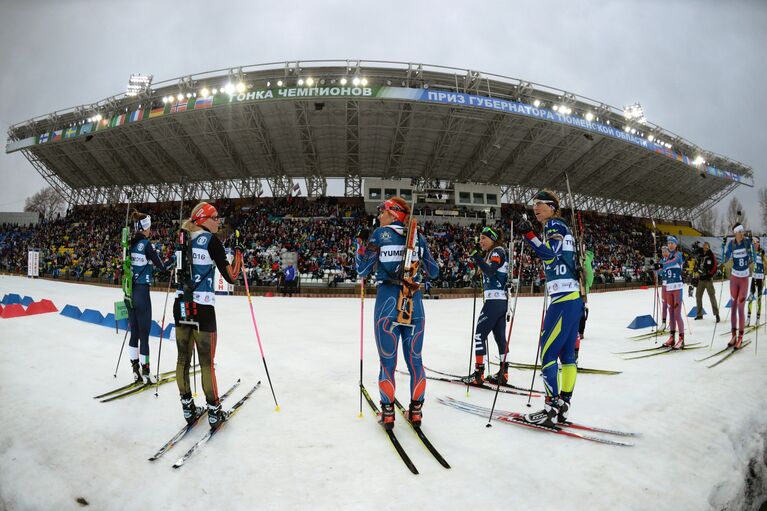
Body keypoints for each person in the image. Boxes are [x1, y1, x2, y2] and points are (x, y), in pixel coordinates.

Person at [355, 197, 439, 430]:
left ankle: (389, 412)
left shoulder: (379, 235)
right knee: (416, 360)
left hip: (387, 301)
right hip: (415, 303)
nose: (379, 215)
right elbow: (434, 271)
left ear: (393, 214)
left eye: (382, 211)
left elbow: (361, 269)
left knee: (387, 362)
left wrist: (359, 244)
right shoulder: (418, 236)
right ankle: (416, 411)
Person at [515, 190, 583, 427]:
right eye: (534, 204)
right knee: (567, 356)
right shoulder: (560, 226)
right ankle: (563, 403)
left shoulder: (553, 224)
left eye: (540, 204)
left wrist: (530, 235)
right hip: (572, 298)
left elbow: (551, 254)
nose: (535, 208)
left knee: (547, 355)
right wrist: (530, 236)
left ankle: (550, 406)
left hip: (563, 299)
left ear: (552, 207)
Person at [174, 202, 243, 429]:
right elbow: (232, 276)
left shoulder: (181, 238)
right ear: (203, 219)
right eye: (215, 217)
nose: (218, 221)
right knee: (206, 364)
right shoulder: (211, 241)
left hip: (181, 305)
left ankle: (188, 408)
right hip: (202, 308)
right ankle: (214, 412)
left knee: (183, 359)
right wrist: (239, 252)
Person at [126, 210, 173, 383]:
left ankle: (135, 370)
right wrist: (173, 259)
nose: (150, 231)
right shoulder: (146, 244)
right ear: (145, 228)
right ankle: (146, 373)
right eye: (149, 228)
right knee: (144, 335)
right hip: (142, 293)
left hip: (129, 293)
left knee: (134, 332)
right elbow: (162, 266)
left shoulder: (129, 244)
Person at [468, 226, 510, 385]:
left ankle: (479, 374)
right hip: (499, 301)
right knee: (500, 338)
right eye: (480, 239)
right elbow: (487, 271)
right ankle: (503, 373)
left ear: (492, 239)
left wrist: (476, 257)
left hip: (494, 302)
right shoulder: (492, 253)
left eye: (484, 238)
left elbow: (491, 271)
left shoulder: (497, 251)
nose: (481, 242)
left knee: (479, 335)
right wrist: (476, 274)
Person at [723, 224, 752, 348]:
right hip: (734, 278)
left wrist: (754, 254)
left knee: (740, 307)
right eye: (739, 231)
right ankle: (733, 335)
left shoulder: (747, 242)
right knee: (733, 307)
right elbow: (725, 258)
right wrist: (723, 249)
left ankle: (741, 337)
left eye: (742, 231)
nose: (742, 233)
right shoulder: (732, 244)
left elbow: (752, 256)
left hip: (744, 279)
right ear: (735, 233)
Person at [659, 236, 685, 348]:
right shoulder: (666, 258)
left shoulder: (678, 255)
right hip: (668, 288)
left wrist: (661, 264)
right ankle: (672, 338)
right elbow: (661, 271)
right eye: (669, 243)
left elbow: (671, 262)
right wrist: (656, 268)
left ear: (676, 244)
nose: (670, 245)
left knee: (677, 314)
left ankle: (681, 339)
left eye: (672, 243)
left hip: (677, 288)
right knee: (671, 314)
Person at [694, 241, 720, 322]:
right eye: (704, 246)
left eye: (707, 246)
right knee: (698, 296)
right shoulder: (700, 255)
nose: (705, 247)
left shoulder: (711, 255)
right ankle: (699, 314)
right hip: (701, 280)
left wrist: (710, 275)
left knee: (712, 296)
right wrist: (697, 272)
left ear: (709, 247)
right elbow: (697, 265)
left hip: (708, 280)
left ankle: (717, 314)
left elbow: (715, 266)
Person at [747, 238, 766, 327]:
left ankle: (758, 319)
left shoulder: (762, 252)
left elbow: (765, 263)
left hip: (760, 278)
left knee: (759, 299)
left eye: (757, 243)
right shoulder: (751, 252)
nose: (755, 244)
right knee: (750, 297)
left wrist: (764, 259)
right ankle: (748, 318)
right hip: (754, 277)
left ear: (759, 243)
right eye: (754, 243)